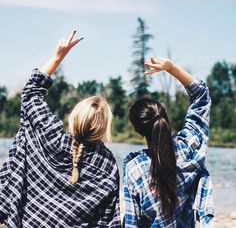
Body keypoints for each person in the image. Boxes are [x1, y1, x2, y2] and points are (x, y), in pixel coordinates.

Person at [0, 31, 121, 227]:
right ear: (104, 129)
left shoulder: (50, 132)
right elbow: (107, 221)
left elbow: (31, 93)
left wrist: (58, 57)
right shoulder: (107, 164)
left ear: (74, 117)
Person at [123, 56, 214, 227]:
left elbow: (131, 222)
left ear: (137, 130)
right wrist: (171, 68)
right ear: (164, 119)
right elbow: (201, 95)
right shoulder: (189, 146)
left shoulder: (134, 168)